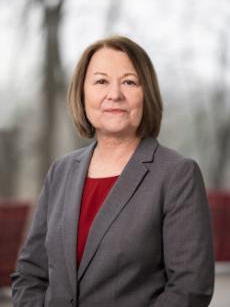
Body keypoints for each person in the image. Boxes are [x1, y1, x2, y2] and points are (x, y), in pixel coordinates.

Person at [11, 35, 214, 307]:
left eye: (129, 82)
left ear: (147, 94)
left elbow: (191, 288)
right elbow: (29, 274)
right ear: (82, 94)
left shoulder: (177, 175)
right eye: (101, 81)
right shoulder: (60, 171)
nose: (115, 94)